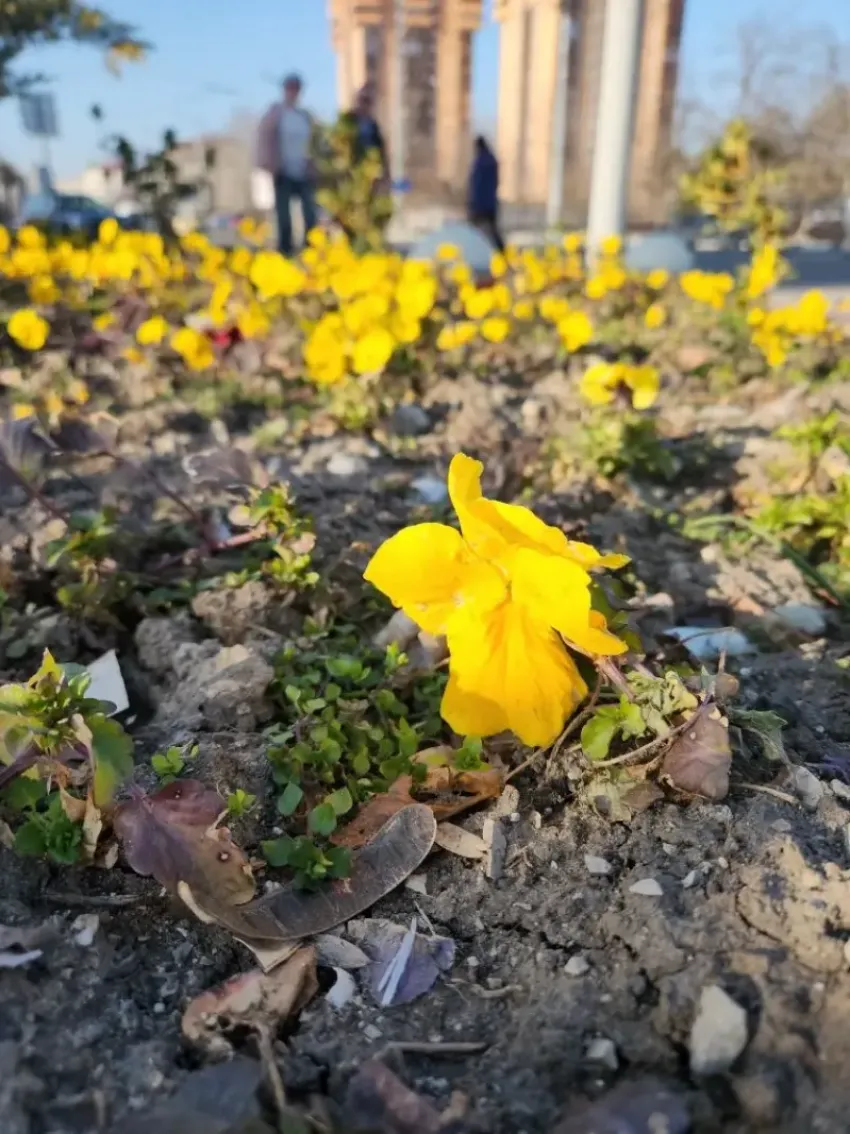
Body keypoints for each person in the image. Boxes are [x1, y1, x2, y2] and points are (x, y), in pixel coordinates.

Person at [256, 73, 318, 256]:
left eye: (296, 89)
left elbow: (314, 141)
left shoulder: (304, 116)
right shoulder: (276, 113)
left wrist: (314, 165)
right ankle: (285, 251)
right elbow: (264, 137)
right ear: (285, 90)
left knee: (309, 212)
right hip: (282, 170)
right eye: (290, 88)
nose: (293, 92)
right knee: (284, 215)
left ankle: (310, 250)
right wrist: (268, 164)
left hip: (303, 171)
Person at [467, 136, 504, 253]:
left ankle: (474, 251)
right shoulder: (492, 160)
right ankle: (501, 251)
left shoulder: (479, 162)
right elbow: (496, 182)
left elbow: (475, 185)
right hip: (491, 203)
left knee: (473, 231)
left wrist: (472, 202)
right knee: (492, 230)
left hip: (479, 204)